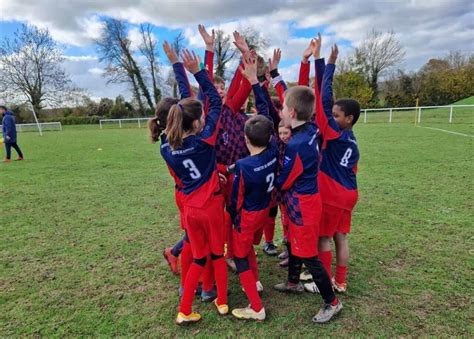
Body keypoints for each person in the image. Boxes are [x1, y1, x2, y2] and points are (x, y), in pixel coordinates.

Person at [159, 49, 227, 324]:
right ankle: (222, 300)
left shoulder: (165, 146)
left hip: (190, 209)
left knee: (198, 257)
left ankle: (185, 309)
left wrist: (179, 67)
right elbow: (215, 103)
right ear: (197, 123)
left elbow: (184, 108)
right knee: (217, 255)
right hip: (210, 206)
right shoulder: (204, 141)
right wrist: (196, 70)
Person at [273, 85, 342, 324]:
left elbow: (284, 181)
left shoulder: (296, 144)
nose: (280, 111)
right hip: (304, 200)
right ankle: (293, 282)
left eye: (282, 107)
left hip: (302, 203)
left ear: (291, 112)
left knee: (309, 255)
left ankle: (332, 302)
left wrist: (273, 178)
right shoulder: (312, 128)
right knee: (293, 242)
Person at [229, 53, 278, 321]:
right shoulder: (273, 151)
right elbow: (267, 116)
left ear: (247, 140)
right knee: (249, 249)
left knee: (242, 257)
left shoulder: (244, 167)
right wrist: (257, 84)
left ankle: (256, 307)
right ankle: (257, 282)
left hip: (246, 217)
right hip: (263, 212)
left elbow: (236, 199)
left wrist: (233, 217)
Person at [313, 44, 360, 294]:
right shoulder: (352, 138)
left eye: (337, 115)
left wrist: (329, 64)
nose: (332, 118)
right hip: (349, 193)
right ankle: (340, 281)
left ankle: (324, 283)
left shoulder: (334, 135)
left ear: (349, 119)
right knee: (341, 237)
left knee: (323, 238)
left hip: (333, 194)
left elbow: (323, 98)